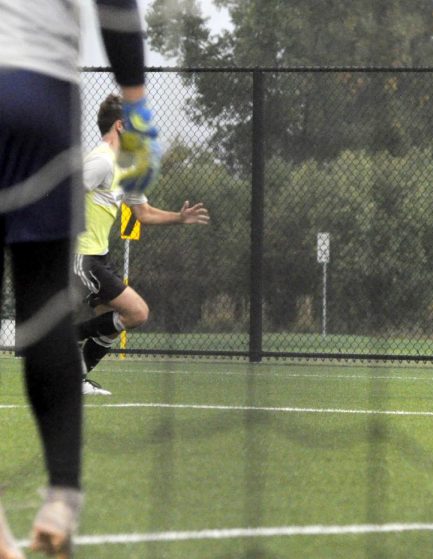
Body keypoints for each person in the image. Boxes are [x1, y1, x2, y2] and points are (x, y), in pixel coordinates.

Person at [0, 0, 158, 557]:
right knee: (43, 307)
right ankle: (61, 496)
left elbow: (134, 206)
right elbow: (116, 8)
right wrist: (137, 103)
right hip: (41, 97)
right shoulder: (98, 159)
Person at [75, 94, 210, 396]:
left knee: (109, 324)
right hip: (80, 256)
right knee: (138, 312)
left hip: (99, 257)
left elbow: (143, 213)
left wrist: (179, 217)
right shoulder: (101, 160)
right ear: (121, 126)